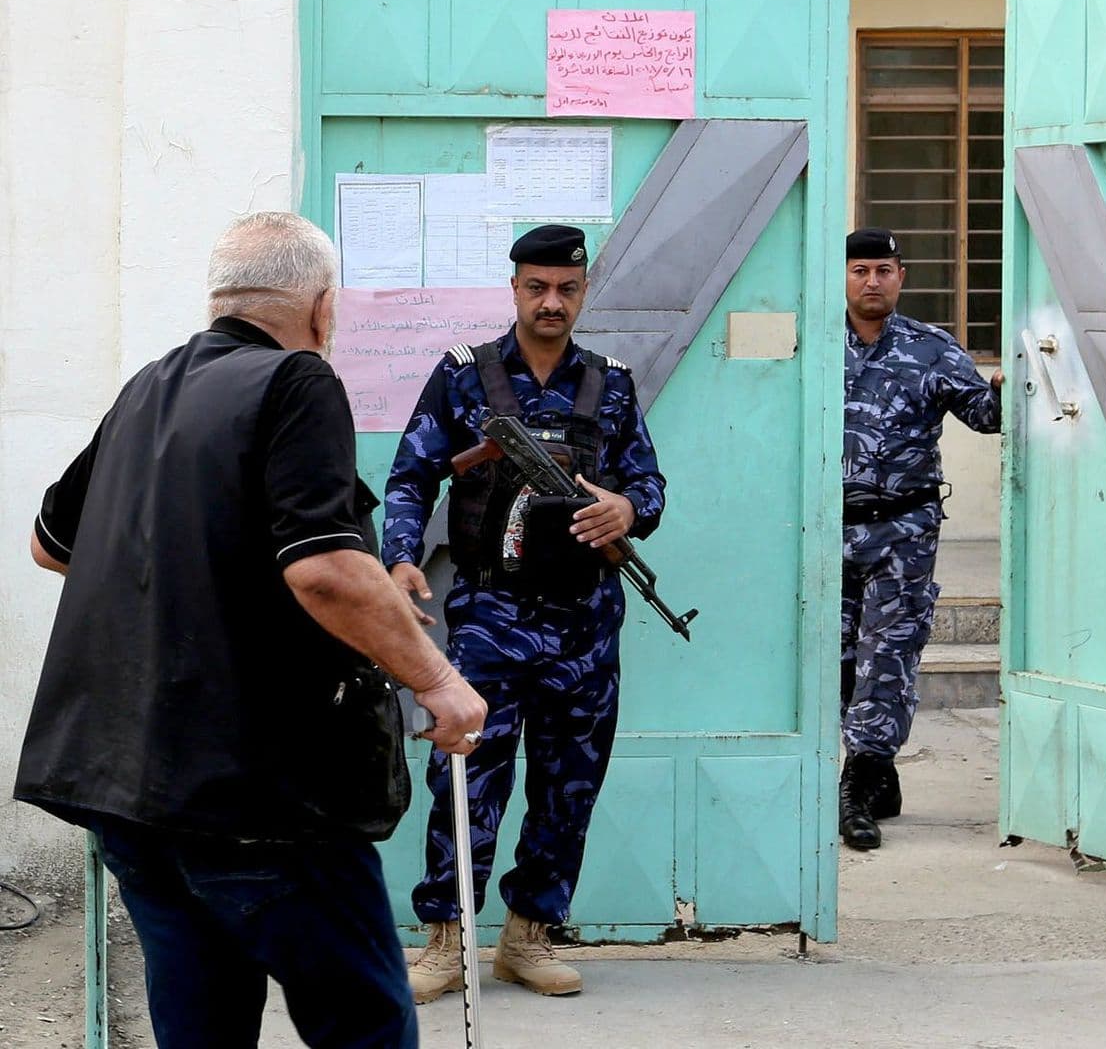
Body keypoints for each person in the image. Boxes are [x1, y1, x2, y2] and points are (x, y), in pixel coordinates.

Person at [13, 211, 489, 1048]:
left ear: (219, 299)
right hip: (260, 795)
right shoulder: (297, 381)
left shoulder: (147, 388)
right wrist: (439, 681)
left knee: (201, 1028)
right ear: (323, 308)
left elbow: (53, 544)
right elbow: (323, 568)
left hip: (136, 791)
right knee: (365, 1025)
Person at [384, 223, 667, 1001]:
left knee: (569, 783)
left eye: (567, 289)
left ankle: (528, 938)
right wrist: (401, 557)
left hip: (584, 620)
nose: (551, 302)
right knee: (464, 777)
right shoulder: (464, 376)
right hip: (489, 616)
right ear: (514, 288)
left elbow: (649, 483)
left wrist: (626, 509)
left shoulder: (610, 384)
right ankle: (446, 942)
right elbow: (412, 475)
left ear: (583, 292)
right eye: (537, 287)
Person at [839, 226, 1003, 851]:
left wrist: (1007, 386)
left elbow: (984, 418)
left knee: (888, 655)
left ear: (900, 277)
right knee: (838, 661)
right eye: (860, 270)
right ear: (843, 277)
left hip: (903, 530)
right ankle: (879, 774)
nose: (871, 281)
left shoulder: (930, 348)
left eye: (883, 270)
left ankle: (858, 786)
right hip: (826, 531)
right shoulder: (815, 345)